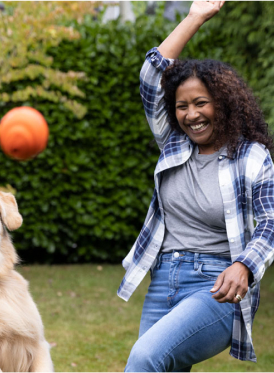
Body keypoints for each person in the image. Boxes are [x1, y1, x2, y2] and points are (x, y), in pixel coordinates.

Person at [117, 1, 274, 371]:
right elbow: (150, 75)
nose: (191, 114)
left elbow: (270, 222)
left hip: (217, 287)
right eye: (182, 106)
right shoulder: (173, 144)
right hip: (163, 280)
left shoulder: (252, 158)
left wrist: (245, 266)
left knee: (144, 357)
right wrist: (194, 17)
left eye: (201, 103)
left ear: (223, 104)